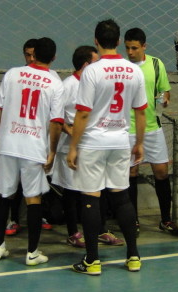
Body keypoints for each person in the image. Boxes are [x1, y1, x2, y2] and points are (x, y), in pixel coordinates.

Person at [67, 19, 147, 275]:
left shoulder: (92, 71)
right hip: (120, 141)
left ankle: (92, 260)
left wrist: (73, 147)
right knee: (121, 197)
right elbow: (141, 112)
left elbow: (82, 114)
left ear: (96, 40)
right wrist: (140, 143)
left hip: (94, 142)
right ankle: (133, 256)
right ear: (119, 40)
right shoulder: (134, 70)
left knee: (91, 198)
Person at [0, 37, 64, 266]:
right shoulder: (54, 83)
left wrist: (0, 136)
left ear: (33, 54)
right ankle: (32, 252)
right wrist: (52, 151)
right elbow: (56, 121)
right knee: (33, 198)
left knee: (5, 194)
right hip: (33, 146)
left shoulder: (12, 74)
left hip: (8, 142)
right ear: (53, 57)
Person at [124, 27, 178, 237]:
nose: (130, 52)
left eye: (134, 48)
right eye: (127, 48)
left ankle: (166, 219)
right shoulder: (122, 68)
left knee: (161, 172)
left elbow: (164, 90)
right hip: (128, 129)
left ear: (144, 47)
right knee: (131, 173)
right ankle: (133, 221)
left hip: (152, 127)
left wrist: (165, 99)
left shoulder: (157, 64)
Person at [2, 38, 55, 237]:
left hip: (37, 141)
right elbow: (0, 107)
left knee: (40, 185)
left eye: (34, 54)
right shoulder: (15, 75)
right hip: (15, 139)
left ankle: (40, 217)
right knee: (12, 185)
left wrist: (52, 147)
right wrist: (2, 135)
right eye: (27, 54)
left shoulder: (52, 79)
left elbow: (55, 117)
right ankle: (13, 219)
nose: (31, 58)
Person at [51, 46, 100, 248]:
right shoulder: (68, 85)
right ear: (86, 65)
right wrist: (70, 130)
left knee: (95, 188)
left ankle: (99, 230)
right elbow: (55, 114)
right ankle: (73, 232)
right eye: (96, 62)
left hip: (91, 143)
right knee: (71, 190)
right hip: (69, 145)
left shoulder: (95, 84)